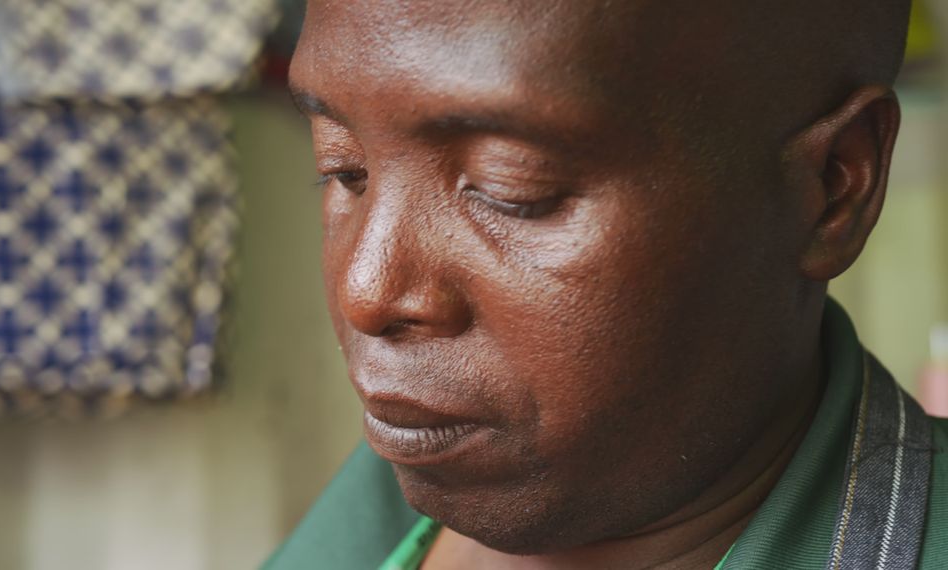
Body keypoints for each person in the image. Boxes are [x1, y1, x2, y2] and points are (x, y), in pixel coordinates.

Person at [265, 0, 948, 567]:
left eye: (510, 190)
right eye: (344, 169)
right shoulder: (387, 499)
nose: (367, 291)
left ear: (833, 186)